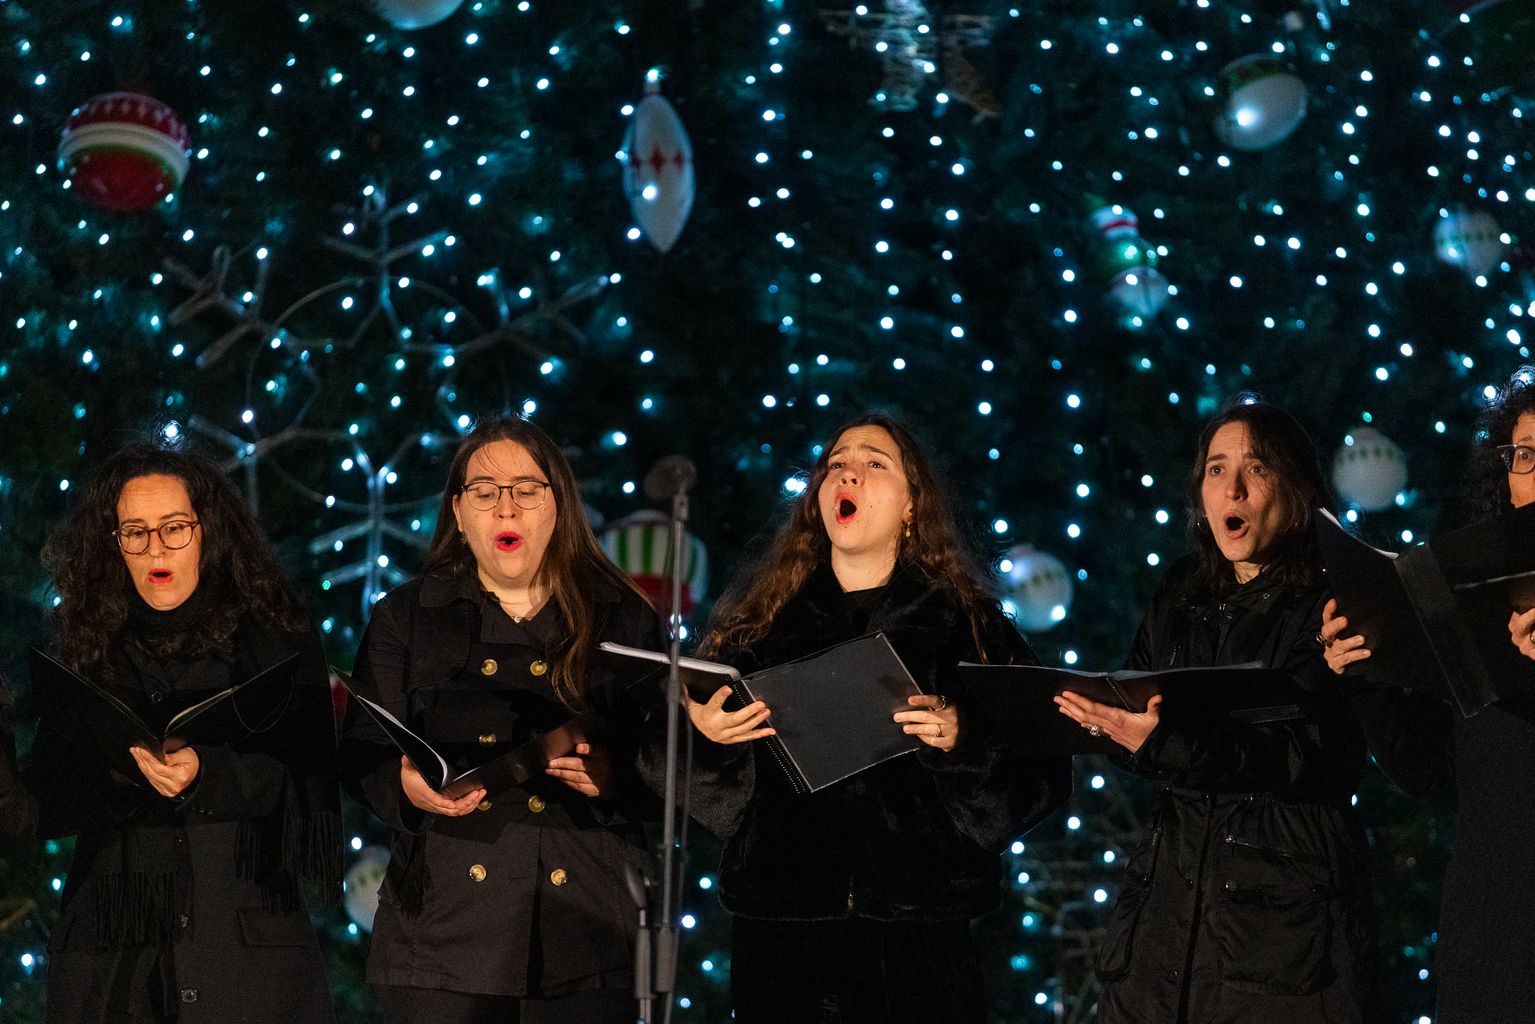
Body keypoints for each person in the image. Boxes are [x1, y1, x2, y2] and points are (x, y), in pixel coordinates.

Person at [658, 413, 1072, 1024]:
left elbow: (1041, 775)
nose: (848, 471)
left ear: (912, 505)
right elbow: (675, 766)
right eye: (836, 464)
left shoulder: (969, 629)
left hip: (919, 944)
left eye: (875, 462)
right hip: (783, 941)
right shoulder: (760, 626)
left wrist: (963, 739)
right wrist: (710, 738)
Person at [1054, 399, 1377, 1024]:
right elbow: (1139, 711)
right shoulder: (1182, 593)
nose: (1230, 487)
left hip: (1280, 939)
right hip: (1163, 932)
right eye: (1214, 468)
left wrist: (1166, 743)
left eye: (1255, 469)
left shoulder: (1334, 600)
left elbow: (1319, 758)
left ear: (1299, 486)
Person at [341, 416, 660, 1024]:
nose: (505, 508)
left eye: (525, 490)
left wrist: (613, 774)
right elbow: (361, 749)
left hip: (586, 924)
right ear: (458, 513)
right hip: (442, 931)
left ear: (558, 505)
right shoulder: (405, 616)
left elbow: (669, 761)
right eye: (484, 493)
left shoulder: (621, 617)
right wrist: (404, 785)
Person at [27, 442, 340, 1024]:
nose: (156, 549)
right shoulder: (86, 649)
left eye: (174, 528)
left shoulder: (275, 638)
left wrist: (209, 775)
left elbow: (311, 778)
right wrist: (113, 774)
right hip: (114, 958)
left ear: (206, 532)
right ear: (113, 544)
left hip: (246, 955)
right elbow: (45, 803)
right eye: (135, 533)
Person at [1319, 366, 1535, 1022]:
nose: (1534, 470)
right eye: (1523, 454)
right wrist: (1366, 669)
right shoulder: (1467, 583)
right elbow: (1426, 771)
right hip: (1492, 938)